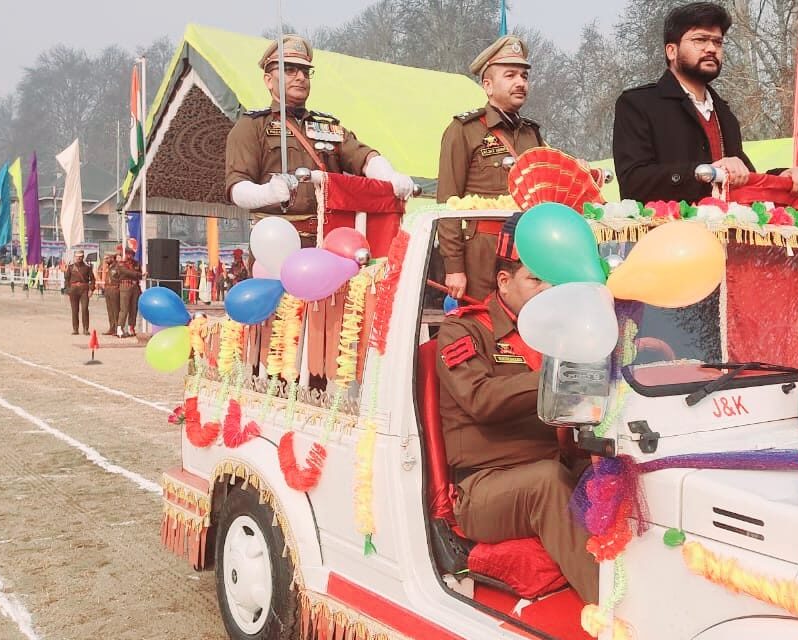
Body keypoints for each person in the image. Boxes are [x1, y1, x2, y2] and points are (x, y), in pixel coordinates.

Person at [435, 214, 597, 604]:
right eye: (535, 279)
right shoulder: (464, 330)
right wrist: (556, 375)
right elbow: (481, 399)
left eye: (552, 281)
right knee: (548, 483)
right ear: (504, 282)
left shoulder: (559, 333)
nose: (547, 290)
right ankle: (616, 611)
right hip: (484, 487)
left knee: (615, 476)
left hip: (554, 463)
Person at [612, 2, 798, 203]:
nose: (711, 48)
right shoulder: (637, 104)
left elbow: (744, 181)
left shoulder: (724, 115)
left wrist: (784, 177)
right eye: (700, 40)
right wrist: (704, 173)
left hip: (723, 234)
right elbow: (633, 183)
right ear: (671, 51)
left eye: (718, 42)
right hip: (667, 233)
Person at [224, 35, 414, 247]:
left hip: (330, 240)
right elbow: (236, 188)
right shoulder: (252, 126)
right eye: (289, 70)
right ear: (268, 80)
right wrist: (268, 193)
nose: (300, 77)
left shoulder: (327, 125)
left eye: (305, 72)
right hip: (277, 242)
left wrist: (389, 177)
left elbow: (363, 157)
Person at [436, 35, 544, 302]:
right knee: (482, 327)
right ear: (488, 85)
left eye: (524, 76)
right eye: (510, 75)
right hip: (482, 253)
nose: (520, 83)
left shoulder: (532, 134)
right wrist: (454, 267)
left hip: (527, 251)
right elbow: (446, 203)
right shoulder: (463, 131)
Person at [63, 249, 94, 335]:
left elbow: (92, 279)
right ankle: (75, 329)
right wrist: (68, 290)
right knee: (74, 310)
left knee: (84, 309)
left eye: (80, 257)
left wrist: (91, 289)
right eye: (77, 257)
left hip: (84, 289)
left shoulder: (87, 267)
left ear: (83, 257)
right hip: (73, 290)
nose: (79, 258)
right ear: (74, 257)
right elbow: (67, 279)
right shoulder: (71, 267)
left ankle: (85, 329)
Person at [116, 248, 143, 337]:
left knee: (133, 309)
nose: (130, 256)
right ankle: (120, 328)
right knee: (124, 308)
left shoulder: (136, 264)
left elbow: (140, 273)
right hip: (125, 286)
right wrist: (139, 274)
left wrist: (140, 274)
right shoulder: (121, 264)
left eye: (131, 254)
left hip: (135, 287)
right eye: (128, 254)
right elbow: (127, 272)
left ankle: (132, 327)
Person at [102, 250, 122, 335]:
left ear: (111, 258)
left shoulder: (118, 267)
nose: (105, 260)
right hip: (108, 290)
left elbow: (121, 277)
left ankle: (117, 328)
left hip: (114, 289)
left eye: (107, 258)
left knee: (115, 310)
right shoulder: (108, 267)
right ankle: (112, 328)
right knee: (110, 310)